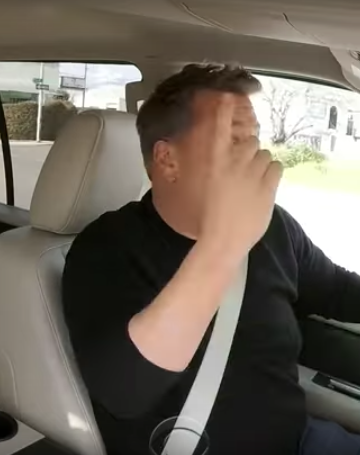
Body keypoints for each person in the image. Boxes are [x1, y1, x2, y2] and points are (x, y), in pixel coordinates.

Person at [62, 63, 360, 455]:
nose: (256, 155)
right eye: (233, 140)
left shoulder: (274, 228)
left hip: (302, 441)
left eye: (255, 138)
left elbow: (338, 291)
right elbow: (125, 391)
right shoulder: (106, 248)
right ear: (168, 159)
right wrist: (226, 242)